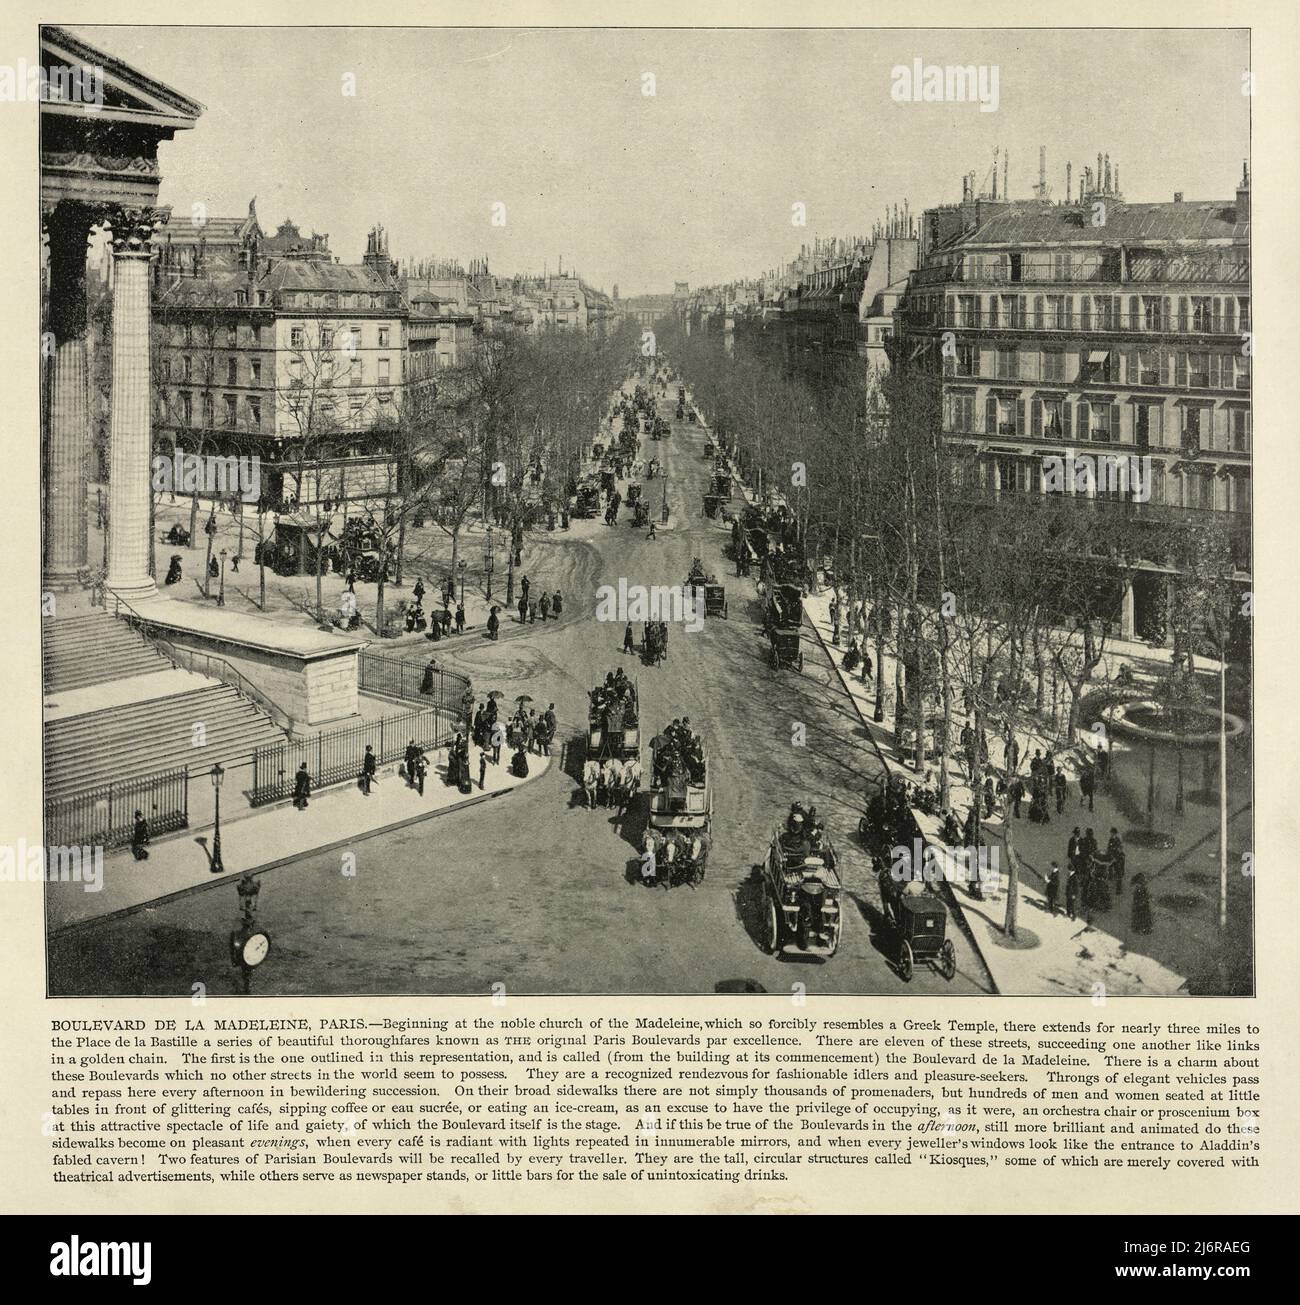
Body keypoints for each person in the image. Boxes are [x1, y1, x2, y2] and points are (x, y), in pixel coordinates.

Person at [1107, 828, 1126, 895]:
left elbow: (1119, 850)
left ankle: (1118, 890)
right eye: (1111, 833)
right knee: (1109, 871)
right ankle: (1110, 885)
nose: (1111, 834)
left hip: (1117, 859)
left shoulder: (1117, 840)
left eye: (1112, 833)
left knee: (1118, 874)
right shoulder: (1111, 839)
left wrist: (1116, 857)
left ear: (1114, 833)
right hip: (1112, 858)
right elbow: (1109, 849)